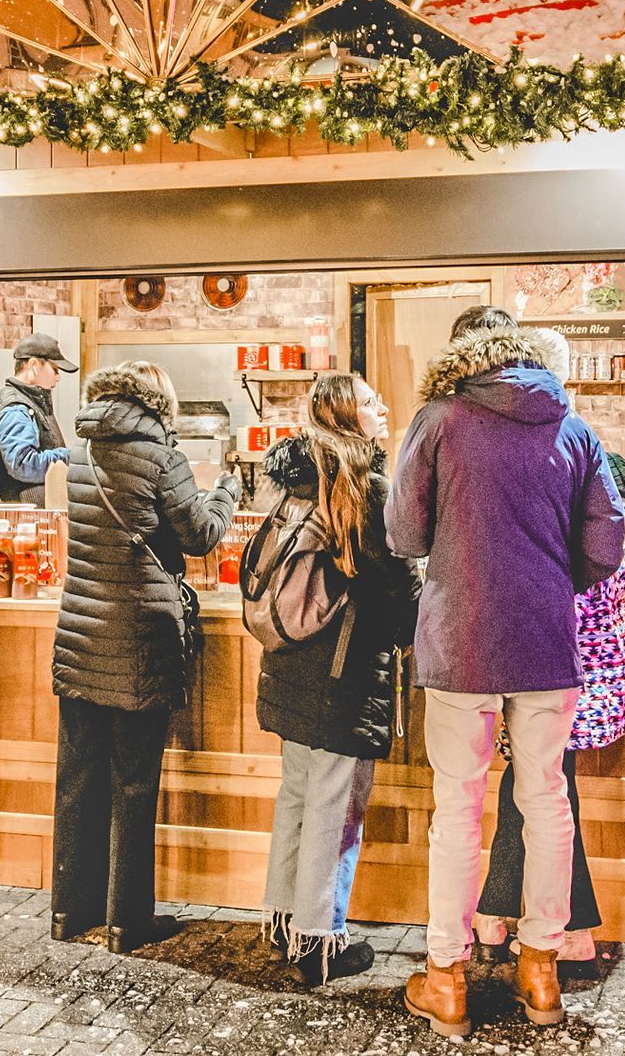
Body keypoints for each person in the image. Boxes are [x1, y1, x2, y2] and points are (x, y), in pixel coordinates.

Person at [386, 317, 625, 1038]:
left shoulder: (438, 418)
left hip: (460, 642)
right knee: (548, 798)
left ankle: (446, 978)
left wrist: (458, 551)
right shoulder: (575, 429)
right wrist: (552, 578)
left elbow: (401, 531)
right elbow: (606, 545)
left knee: (457, 807)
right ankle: (540, 969)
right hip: (547, 642)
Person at [51, 360, 241, 954]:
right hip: (138, 639)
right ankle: (125, 921)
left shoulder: (80, 452)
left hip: (80, 634)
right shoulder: (161, 454)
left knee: (78, 780)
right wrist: (228, 491)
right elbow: (201, 535)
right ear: (159, 400)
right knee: (133, 782)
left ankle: (68, 911)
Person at [254, 375, 420, 986]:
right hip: (340, 675)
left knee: (297, 799)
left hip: (289, 670)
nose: (384, 407)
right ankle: (320, 941)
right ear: (350, 416)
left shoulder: (300, 481)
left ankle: (282, 922)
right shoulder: (362, 488)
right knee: (335, 810)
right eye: (373, 401)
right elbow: (394, 589)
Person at [473, 328, 625, 967]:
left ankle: (548, 926)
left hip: (548, 646)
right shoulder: (582, 445)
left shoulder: (546, 450)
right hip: (576, 648)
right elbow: (606, 546)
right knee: (541, 782)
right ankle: (541, 924)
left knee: (538, 782)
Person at [0, 333, 77, 504]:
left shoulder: (31, 402)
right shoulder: (15, 408)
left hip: (39, 507)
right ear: (34, 365)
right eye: (55, 369)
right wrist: (71, 457)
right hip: (27, 511)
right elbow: (24, 465)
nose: (58, 377)